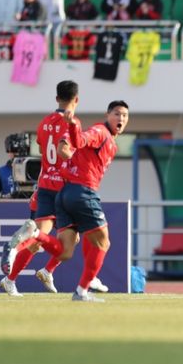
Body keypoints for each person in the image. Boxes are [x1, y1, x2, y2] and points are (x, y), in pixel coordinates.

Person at [0, 80, 109, 296]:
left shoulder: (44, 123)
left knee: (47, 238)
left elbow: (43, 150)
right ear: (77, 99)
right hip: (65, 188)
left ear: (57, 98)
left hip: (45, 186)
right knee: (88, 232)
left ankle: (28, 274)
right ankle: (86, 276)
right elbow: (65, 151)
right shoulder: (73, 122)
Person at [55, 100, 129, 302]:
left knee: (65, 251)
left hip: (65, 193)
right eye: (117, 113)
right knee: (103, 241)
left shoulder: (111, 142)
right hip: (82, 192)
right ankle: (81, 291)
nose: (121, 118)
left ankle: (35, 236)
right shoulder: (100, 132)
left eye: (124, 115)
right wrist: (72, 126)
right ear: (107, 115)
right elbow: (80, 140)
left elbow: (74, 148)